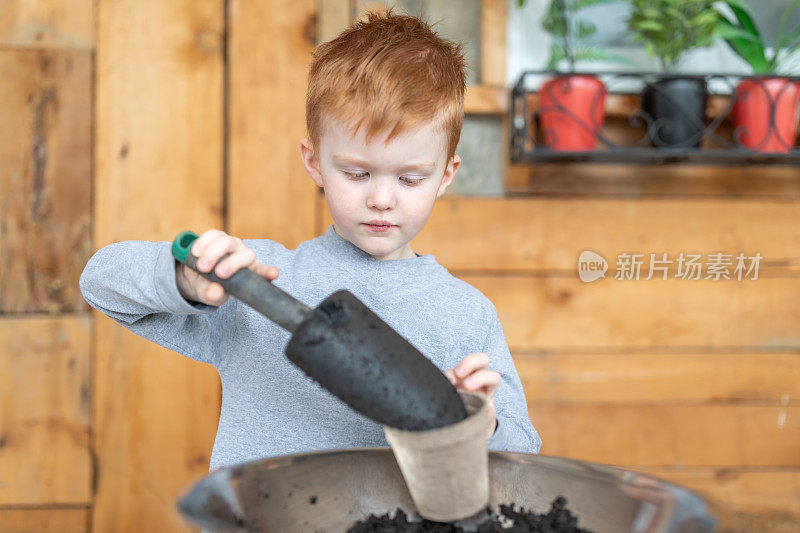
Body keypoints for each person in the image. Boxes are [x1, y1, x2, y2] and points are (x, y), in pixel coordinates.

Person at [80, 11, 541, 472]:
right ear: (315, 161)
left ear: (445, 175)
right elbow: (100, 282)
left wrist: (479, 426)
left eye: (410, 178)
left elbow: (523, 455)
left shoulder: (465, 313)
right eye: (357, 173)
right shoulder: (254, 280)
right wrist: (185, 279)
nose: (382, 199)